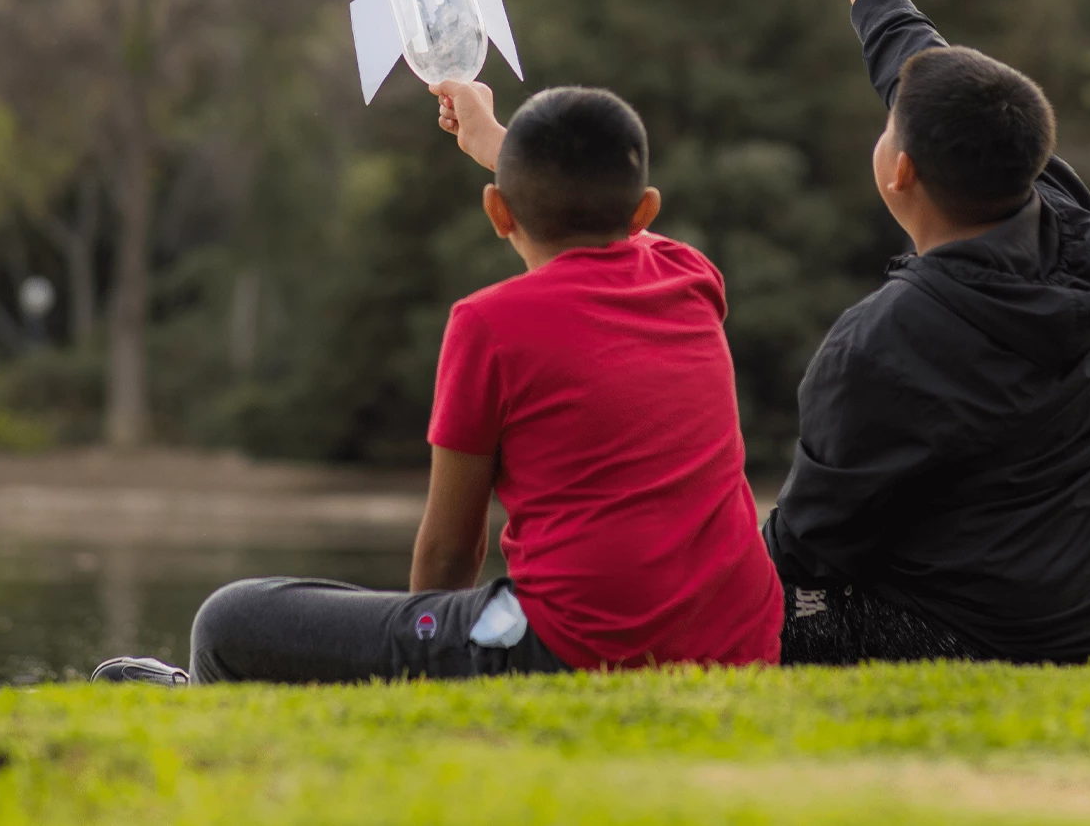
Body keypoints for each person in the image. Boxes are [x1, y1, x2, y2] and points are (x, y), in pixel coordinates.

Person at [94, 83, 782, 685]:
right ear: (646, 211)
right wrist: (494, 140)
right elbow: (605, 216)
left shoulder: (489, 323)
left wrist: (417, 659)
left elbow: (453, 547)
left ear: (496, 213)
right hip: (735, 643)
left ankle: (204, 699)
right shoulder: (691, 277)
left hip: (574, 650)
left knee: (230, 620)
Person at [764, 0, 1090, 666]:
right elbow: (934, 87)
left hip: (967, 636)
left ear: (900, 172)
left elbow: (813, 542)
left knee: (769, 595)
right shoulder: (1071, 227)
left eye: (890, 126)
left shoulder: (877, 342)